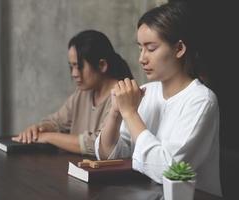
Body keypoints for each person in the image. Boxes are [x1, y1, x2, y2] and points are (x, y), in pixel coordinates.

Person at [95, 2, 221, 196]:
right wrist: (115, 112)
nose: (142, 58)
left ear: (179, 48)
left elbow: (167, 170)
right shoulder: (145, 92)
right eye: (140, 48)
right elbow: (109, 156)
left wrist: (130, 112)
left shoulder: (201, 101)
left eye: (151, 48)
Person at [12, 30, 133, 156]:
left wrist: (47, 137)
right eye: (71, 66)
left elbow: (98, 144)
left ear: (102, 65)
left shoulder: (122, 95)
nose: (74, 74)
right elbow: (57, 122)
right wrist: (38, 129)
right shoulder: (81, 94)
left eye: (79, 66)